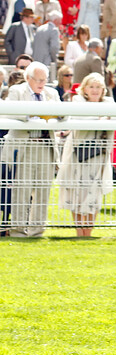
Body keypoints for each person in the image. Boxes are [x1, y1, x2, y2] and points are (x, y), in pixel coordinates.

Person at [2, 62, 59, 237]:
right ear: (28, 78)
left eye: (45, 79)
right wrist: (36, 114)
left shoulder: (52, 93)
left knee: (43, 190)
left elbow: (64, 114)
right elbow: (12, 112)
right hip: (24, 147)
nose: (42, 83)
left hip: (45, 145)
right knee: (22, 189)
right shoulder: (16, 91)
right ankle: (19, 230)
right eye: (39, 80)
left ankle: (37, 230)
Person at [56, 72, 113, 237]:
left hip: (99, 157)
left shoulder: (109, 103)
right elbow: (82, 117)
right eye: (91, 87)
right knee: (77, 194)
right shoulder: (77, 100)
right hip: (77, 156)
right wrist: (101, 119)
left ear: (103, 90)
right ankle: (79, 232)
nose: (95, 90)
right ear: (85, 89)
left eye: (98, 87)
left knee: (93, 194)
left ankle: (88, 233)